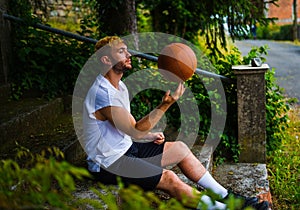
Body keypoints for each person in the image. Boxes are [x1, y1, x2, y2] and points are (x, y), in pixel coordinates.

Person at [81, 36, 269, 209]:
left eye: (127, 50)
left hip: (127, 149)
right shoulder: (103, 94)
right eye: (121, 51)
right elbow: (134, 130)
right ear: (106, 60)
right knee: (169, 178)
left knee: (180, 148)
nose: (129, 54)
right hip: (108, 163)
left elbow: (127, 129)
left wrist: (148, 135)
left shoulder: (118, 86)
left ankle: (228, 197)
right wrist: (165, 105)